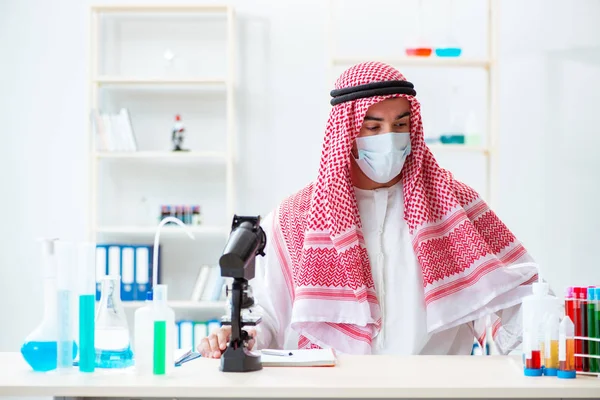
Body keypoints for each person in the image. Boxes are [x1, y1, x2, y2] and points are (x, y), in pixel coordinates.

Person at [198, 61, 538, 358]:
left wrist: (550, 332)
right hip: (334, 390)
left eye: (400, 125)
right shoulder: (296, 217)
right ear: (346, 132)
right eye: (373, 127)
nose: (389, 138)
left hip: (436, 391)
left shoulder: (455, 206)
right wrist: (240, 337)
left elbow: (519, 300)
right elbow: (269, 318)